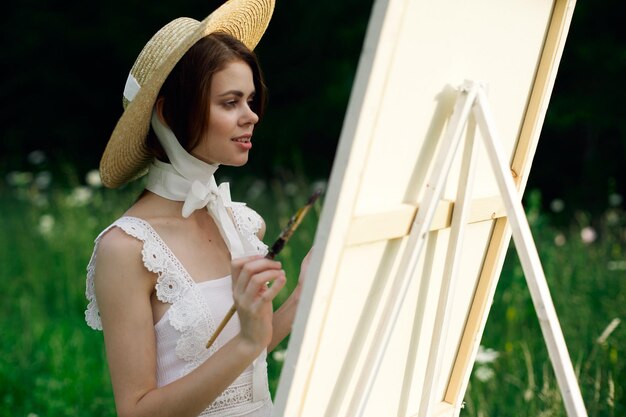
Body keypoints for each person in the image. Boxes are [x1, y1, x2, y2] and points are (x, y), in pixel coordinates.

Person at [84, 1, 310, 416]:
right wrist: (245, 343)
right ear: (170, 113)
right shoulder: (126, 249)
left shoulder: (241, 223)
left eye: (251, 101)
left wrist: (304, 295)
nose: (252, 116)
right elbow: (136, 410)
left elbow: (248, 360)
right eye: (231, 102)